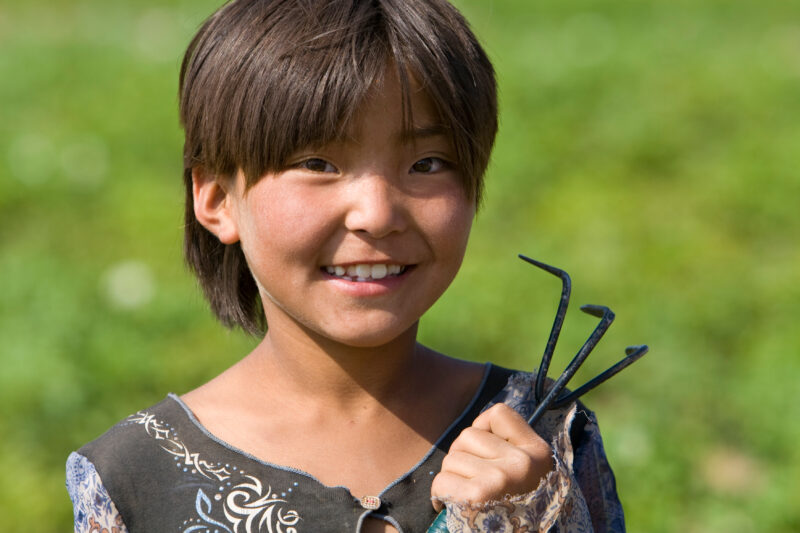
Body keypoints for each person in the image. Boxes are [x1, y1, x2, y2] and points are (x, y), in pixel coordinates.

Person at [66, 0, 624, 531]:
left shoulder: (541, 437)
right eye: (318, 163)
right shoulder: (134, 478)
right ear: (216, 198)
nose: (377, 215)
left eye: (427, 164)